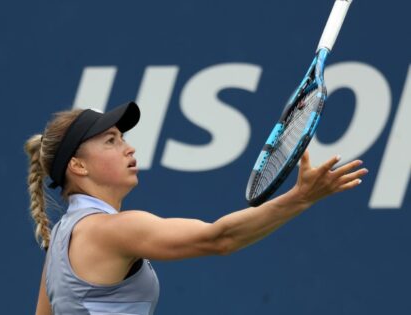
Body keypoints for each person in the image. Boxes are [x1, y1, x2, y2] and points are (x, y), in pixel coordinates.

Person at [25, 101, 368, 315]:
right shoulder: (112, 230)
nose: (128, 149)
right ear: (78, 167)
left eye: (123, 138)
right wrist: (301, 197)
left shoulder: (60, 239)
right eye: (111, 141)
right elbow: (219, 238)